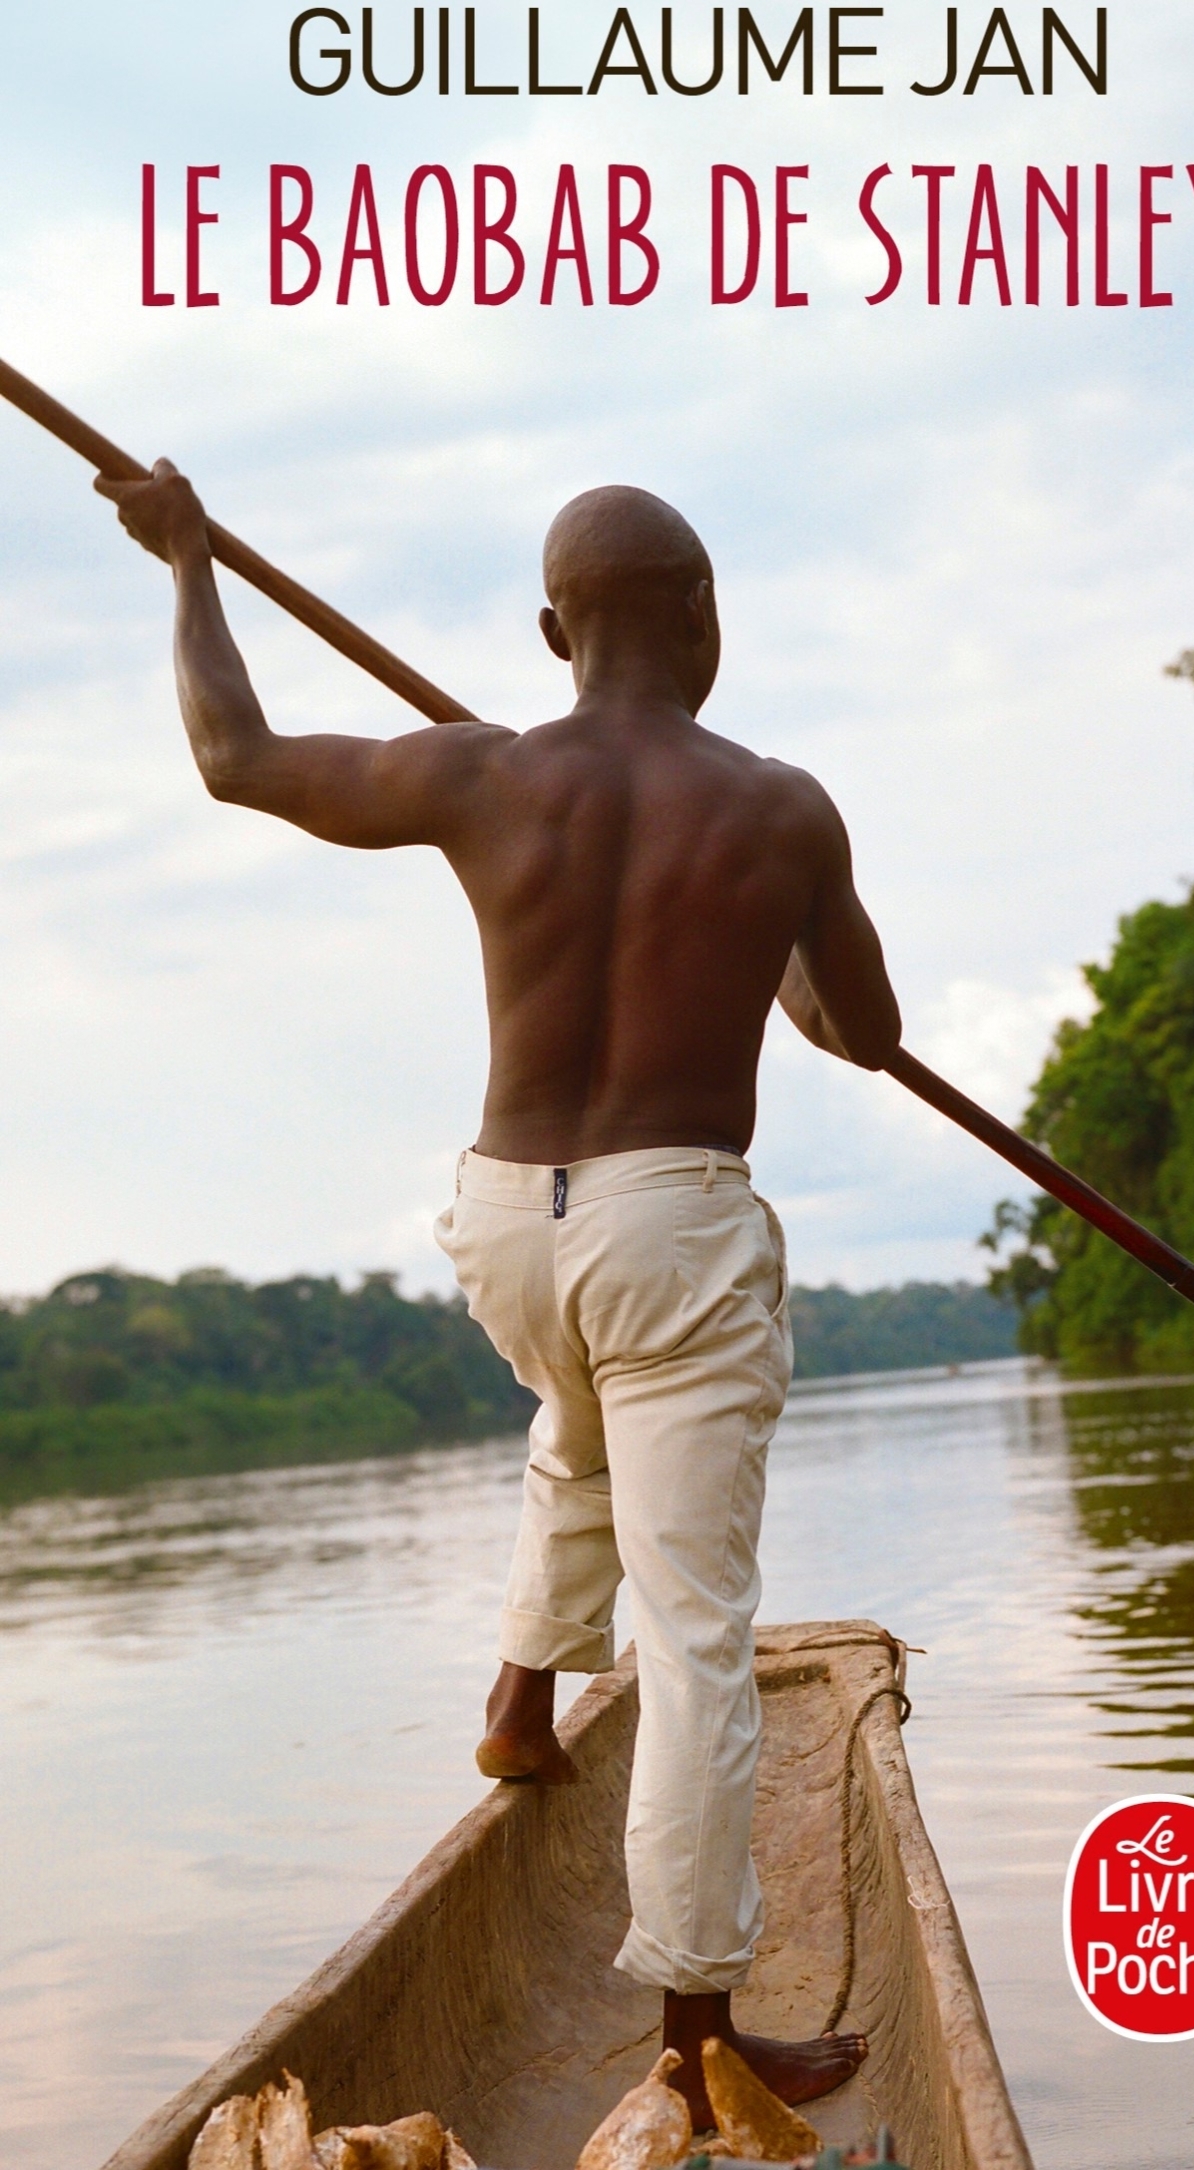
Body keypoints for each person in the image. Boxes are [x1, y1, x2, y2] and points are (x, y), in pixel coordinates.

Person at [96, 464, 903, 2125]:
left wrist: (189, 565)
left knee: (577, 1410)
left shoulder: (485, 773)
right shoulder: (783, 810)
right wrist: (801, 973)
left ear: (552, 631)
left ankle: (521, 1698)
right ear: (704, 618)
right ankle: (694, 2024)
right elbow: (867, 1026)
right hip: (672, 1217)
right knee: (694, 1642)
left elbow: (234, 759)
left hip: (506, 1223)